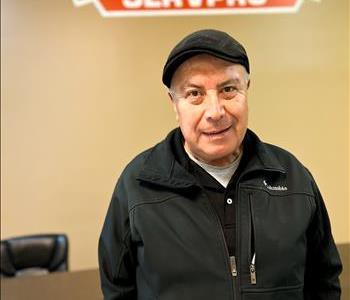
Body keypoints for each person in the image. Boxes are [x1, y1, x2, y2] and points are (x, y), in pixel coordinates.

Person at [98, 29, 342, 300]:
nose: (215, 112)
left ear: (246, 90)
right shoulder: (138, 184)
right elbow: (117, 288)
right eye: (195, 94)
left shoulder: (293, 177)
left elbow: (324, 282)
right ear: (174, 103)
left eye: (228, 89)